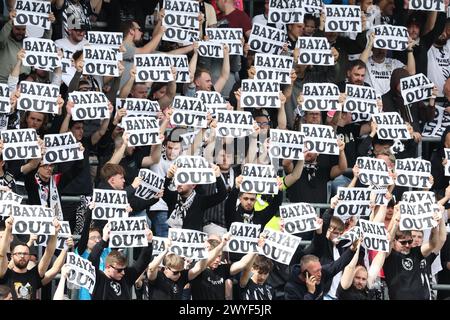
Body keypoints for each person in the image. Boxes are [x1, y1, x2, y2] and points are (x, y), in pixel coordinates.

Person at [88, 222, 154, 300]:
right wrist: (104, 239)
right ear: (108, 267)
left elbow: (142, 263)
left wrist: (149, 242)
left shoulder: (125, 277)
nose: (123, 272)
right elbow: (92, 260)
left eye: (123, 269)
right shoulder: (98, 278)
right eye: (119, 270)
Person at [0, 216, 61, 299]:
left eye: (25, 254)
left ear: (29, 256)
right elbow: (2, 253)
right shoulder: (5, 274)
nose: (22, 256)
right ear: (12, 256)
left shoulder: (35, 275)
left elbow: (48, 254)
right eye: (18, 253)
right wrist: (7, 229)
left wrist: (55, 233)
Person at [284, 240, 359, 300]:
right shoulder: (291, 288)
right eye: (316, 271)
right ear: (305, 273)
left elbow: (337, 265)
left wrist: (352, 249)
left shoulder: (322, 273)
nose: (320, 274)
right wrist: (310, 292)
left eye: (320, 269)